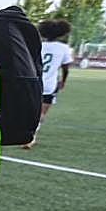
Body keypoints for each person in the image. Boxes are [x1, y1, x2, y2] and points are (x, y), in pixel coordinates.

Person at [26, 19, 73, 149]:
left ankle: (23, 134)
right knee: (41, 113)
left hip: (33, 82)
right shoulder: (64, 48)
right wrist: (63, 81)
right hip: (49, 85)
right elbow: (66, 68)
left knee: (30, 110)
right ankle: (31, 138)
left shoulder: (37, 45)